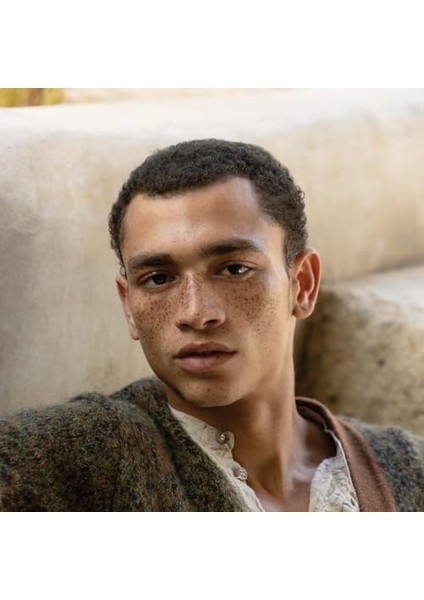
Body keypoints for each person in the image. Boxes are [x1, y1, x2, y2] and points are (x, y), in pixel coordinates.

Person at [0, 139, 422, 511]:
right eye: (158, 278)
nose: (196, 313)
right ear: (128, 305)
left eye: (234, 269)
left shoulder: (406, 468)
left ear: (303, 284)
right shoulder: (75, 457)